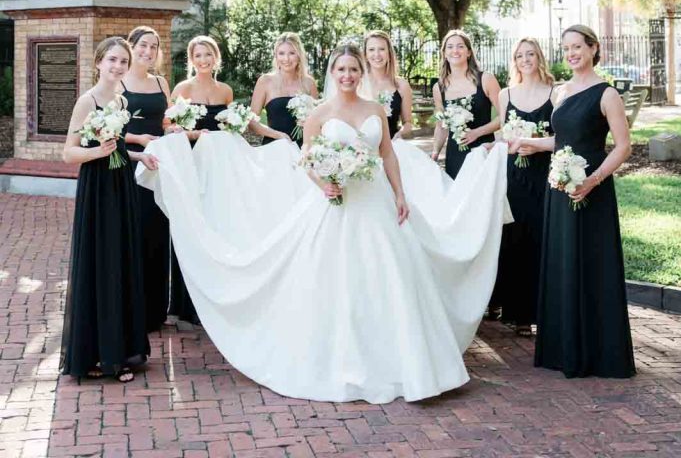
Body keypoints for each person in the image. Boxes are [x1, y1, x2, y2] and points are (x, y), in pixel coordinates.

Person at [137, 40, 511, 404]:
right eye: (341, 69)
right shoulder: (320, 113)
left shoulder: (375, 111)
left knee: (392, 274)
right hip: (337, 204)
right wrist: (324, 183)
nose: (347, 75)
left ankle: (405, 361)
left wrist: (399, 194)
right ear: (333, 73)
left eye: (353, 69)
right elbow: (306, 158)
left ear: (360, 72)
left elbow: (388, 156)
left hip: (376, 200)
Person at [508, 24, 635, 378]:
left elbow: (623, 147)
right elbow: (562, 140)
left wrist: (593, 180)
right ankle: (564, 350)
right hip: (559, 187)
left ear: (594, 48)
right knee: (563, 260)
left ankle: (598, 353)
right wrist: (531, 143)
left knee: (591, 263)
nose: (572, 54)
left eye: (578, 47)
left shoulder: (607, 93)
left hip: (591, 188)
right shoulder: (561, 92)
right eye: (566, 49)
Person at [61, 36, 156, 382]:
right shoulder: (87, 101)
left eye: (123, 62)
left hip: (121, 188)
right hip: (98, 191)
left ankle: (121, 348)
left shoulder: (120, 99)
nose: (117, 66)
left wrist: (138, 155)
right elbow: (69, 152)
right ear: (98, 62)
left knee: (120, 262)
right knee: (102, 265)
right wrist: (97, 153)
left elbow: (115, 148)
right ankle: (101, 356)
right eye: (112, 60)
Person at [492, 38, 558, 336]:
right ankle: (518, 314)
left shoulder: (554, 93)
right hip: (513, 177)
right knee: (514, 238)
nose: (525, 59)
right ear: (514, 61)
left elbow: (562, 137)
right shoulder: (506, 95)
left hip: (542, 173)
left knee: (540, 237)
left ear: (539, 57)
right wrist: (496, 148)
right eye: (520, 56)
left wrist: (536, 145)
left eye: (530, 54)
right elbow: (503, 137)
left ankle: (542, 310)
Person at [167, 35, 234, 324]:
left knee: (215, 223)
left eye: (208, 55)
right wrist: (193, 134)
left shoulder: (226, 92)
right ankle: (185, 303)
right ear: (191, 60)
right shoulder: (183, 88)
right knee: (189, 224)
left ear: (216, 57)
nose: (203, 60)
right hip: (191, 161)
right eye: (198, 55)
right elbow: (168, 125)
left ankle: (215, 295)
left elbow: (231, 126)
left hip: (218, 166)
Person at [122, 25, 172, 333]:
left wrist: (175, 129)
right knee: (133, 233)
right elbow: (107, 128)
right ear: (131, 46)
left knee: (157, 231)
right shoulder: (120, 82)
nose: (148, 51)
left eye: (153, 47)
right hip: (128, 164)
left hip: (157, 164)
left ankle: (156, 310)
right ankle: (133, 310)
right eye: (142, 45)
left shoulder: (161, 82)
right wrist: (137, 139)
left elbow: (166, 122)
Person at [431, 30, 501, 180]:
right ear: (444, 53)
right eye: (450, 47)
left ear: (468, 52)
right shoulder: (439, 88)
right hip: (455, 154)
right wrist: (435, 153)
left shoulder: (486, 79)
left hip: (483, 150)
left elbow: (505, 116)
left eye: (460, 46)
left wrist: (477, 132)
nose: (455, 51)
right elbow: (441, 126)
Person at [249, 32, 318, 144]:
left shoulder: (309, 83)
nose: (286, 59)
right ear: (276, 55)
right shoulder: (265, 81)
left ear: (299, 55)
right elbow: (251, 122)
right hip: (275, 147)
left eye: (292, 53)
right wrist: (278, 135)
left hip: (304, 148)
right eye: (281, 53)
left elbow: (317, 121)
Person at [361, 30, 414, 139]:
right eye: (371, 49)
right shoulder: (358, 83)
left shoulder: (402, 85)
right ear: (365, 54)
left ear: (389, 53)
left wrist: (401, 133)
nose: (377, 54)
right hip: (363, 148)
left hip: (393, 145)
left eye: (382, 49)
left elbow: (408, 123)